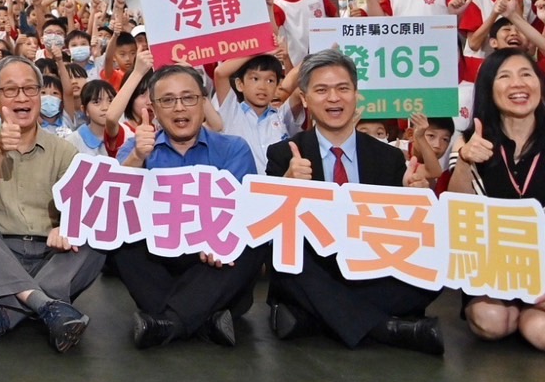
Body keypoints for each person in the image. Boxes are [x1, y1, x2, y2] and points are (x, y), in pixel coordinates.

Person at [263, 51, 443, 354]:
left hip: (370, 268)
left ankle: (316, 316)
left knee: (432, 276)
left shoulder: (388, 157)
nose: (334, 98)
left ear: (356, 95)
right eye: (322, 90)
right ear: (304, 98)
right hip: (315, 269)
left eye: (343, 88)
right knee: (290, 265)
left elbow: (401, 232)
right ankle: (387, 328)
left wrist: (412, 196)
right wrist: (287, 184)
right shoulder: (284, 154)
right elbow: (269, 231)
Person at [0, 57, 105, 352]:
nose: (22, 97)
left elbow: (82, 206)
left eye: (30, 88)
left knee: (100, 234)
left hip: (52, 257)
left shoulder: (64, 150)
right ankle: (46, 306)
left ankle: (5, 315)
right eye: (11, 90)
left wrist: (67, 226)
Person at [117, 65, 262, 348]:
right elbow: (114, 204)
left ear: (204, 102)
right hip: (160, 260)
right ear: (153, 109)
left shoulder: (234, 148)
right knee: (120, 238)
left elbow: (241, 213)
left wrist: (217, 240)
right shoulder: (136, 148)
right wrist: (137, 157)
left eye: (188, 98)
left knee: (254, 240)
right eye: (168, 100)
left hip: (214, 263)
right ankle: (204, 319)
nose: (179, 107)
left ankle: (167, 323)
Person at [449, 48, 545, 348]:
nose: (518, 84)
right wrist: (465, 160)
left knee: (538, 330)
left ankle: (529, 316)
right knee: (491, 320)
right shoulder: (470, 140)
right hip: (494, 268)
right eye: (505, 76)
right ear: (489, 89)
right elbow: (457, 211)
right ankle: (518, 312)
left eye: (526, 74)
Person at [212, 52, 299, 173]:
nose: (262, 87)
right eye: (255, 79)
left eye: (270, 80)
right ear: (239, 84)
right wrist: (261, 51)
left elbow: (302, 82)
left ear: (277, 86)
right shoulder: (232, 113)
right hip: (241, 184)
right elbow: (220, 73)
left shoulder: (283, 116)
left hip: (280, 183)